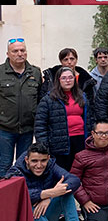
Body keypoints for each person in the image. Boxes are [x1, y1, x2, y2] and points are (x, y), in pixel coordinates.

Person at [34, 65, 92, 170]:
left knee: (80, 172)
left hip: (80, 140)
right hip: (59, 144)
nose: (68, 80)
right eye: (64, 78)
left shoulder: (82, 96)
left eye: (70, 77)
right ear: (58, 80)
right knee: (63, 173)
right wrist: (44, 146)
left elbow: (90, 119)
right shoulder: (48, 99)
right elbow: (40, 125)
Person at [6, 140, 80, 221]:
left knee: (66, 192)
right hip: (28, 214)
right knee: (31, 208)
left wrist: (50, 196)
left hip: (47, 209)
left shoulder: (51, 165)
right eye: (34, 161)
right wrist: (48, 193)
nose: (39, 165)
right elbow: (15, 194)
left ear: (48, 158)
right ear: (27, 160)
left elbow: (74, 180)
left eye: (43, 161)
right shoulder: (16, 171)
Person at [0, 37, 42, 178]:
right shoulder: (0, 73)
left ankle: (22, 197)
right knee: (4, 165)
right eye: (15, 51)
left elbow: (40, 98)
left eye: (22, 50)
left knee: (24, 166)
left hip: (27, 129)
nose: (19, 54)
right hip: (4, 129)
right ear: (8, 54)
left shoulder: (35, 72)